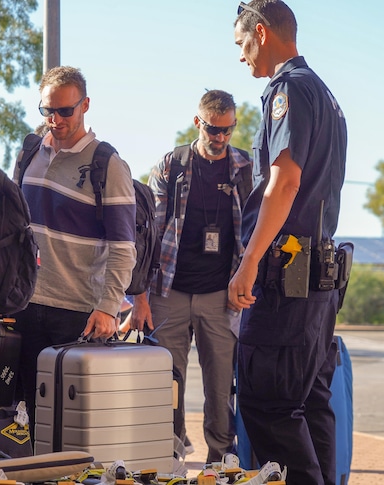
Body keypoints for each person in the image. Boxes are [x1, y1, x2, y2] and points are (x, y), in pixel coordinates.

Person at [228, 2, 348, 484]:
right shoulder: (324, 93)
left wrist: (250, 259)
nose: (241, 56)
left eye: (242, 44)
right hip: (318, 284)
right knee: (310, 406)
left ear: (261, 32)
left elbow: (284, 183)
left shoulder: (288, 89)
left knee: (269, 406)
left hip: (287, 280)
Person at [11, 65, 136, 434]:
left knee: (74, 426)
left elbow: (122, 247)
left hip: (79, 315)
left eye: (65, 110)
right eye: (47, 110)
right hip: (25, 305)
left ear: (85, 106)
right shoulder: (30, 152)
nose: (56, 119)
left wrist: (108, 306)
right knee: (26, 420)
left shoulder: (107, 164)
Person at [129, 90, 252, 463]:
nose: (220, 138)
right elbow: (148, 233)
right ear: (198, 123)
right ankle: (171, 453)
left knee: (220, 386)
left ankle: (221, 457)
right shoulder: (172, 165)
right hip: (170, 291)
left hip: (221, 295)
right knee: (168, 379)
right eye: (214, 129)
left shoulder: (244, 168)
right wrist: (141, 296)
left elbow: (254, 231)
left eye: (227, 130)